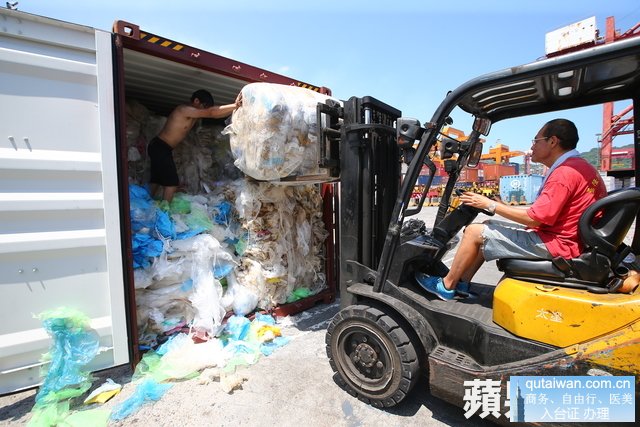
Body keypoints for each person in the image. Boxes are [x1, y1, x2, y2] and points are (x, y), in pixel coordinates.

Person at [416, 118, 607, 300]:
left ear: (553, 141)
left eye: (536, 140)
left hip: (557, 244)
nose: (532, 146)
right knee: (488, 225)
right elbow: (551, 211)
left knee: (474, 232)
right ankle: (463, 284)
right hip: (566, 239)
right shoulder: (580, 167)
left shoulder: (564, 174)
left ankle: (446, 286)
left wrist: (489, 204)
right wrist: (502, 206)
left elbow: (536, 219)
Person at [148, 89, 242, 202]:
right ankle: (164, 211)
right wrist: (235, 105)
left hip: (162, 147)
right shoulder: (184, 110)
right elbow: (212, 112)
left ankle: (150, 201)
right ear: (196, 101)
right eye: (204, 106)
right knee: (172, 183)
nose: (204, 111)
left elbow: (214, 114)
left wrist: (235, 108)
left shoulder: (193, 115)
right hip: (160, 146)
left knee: (157, 180)